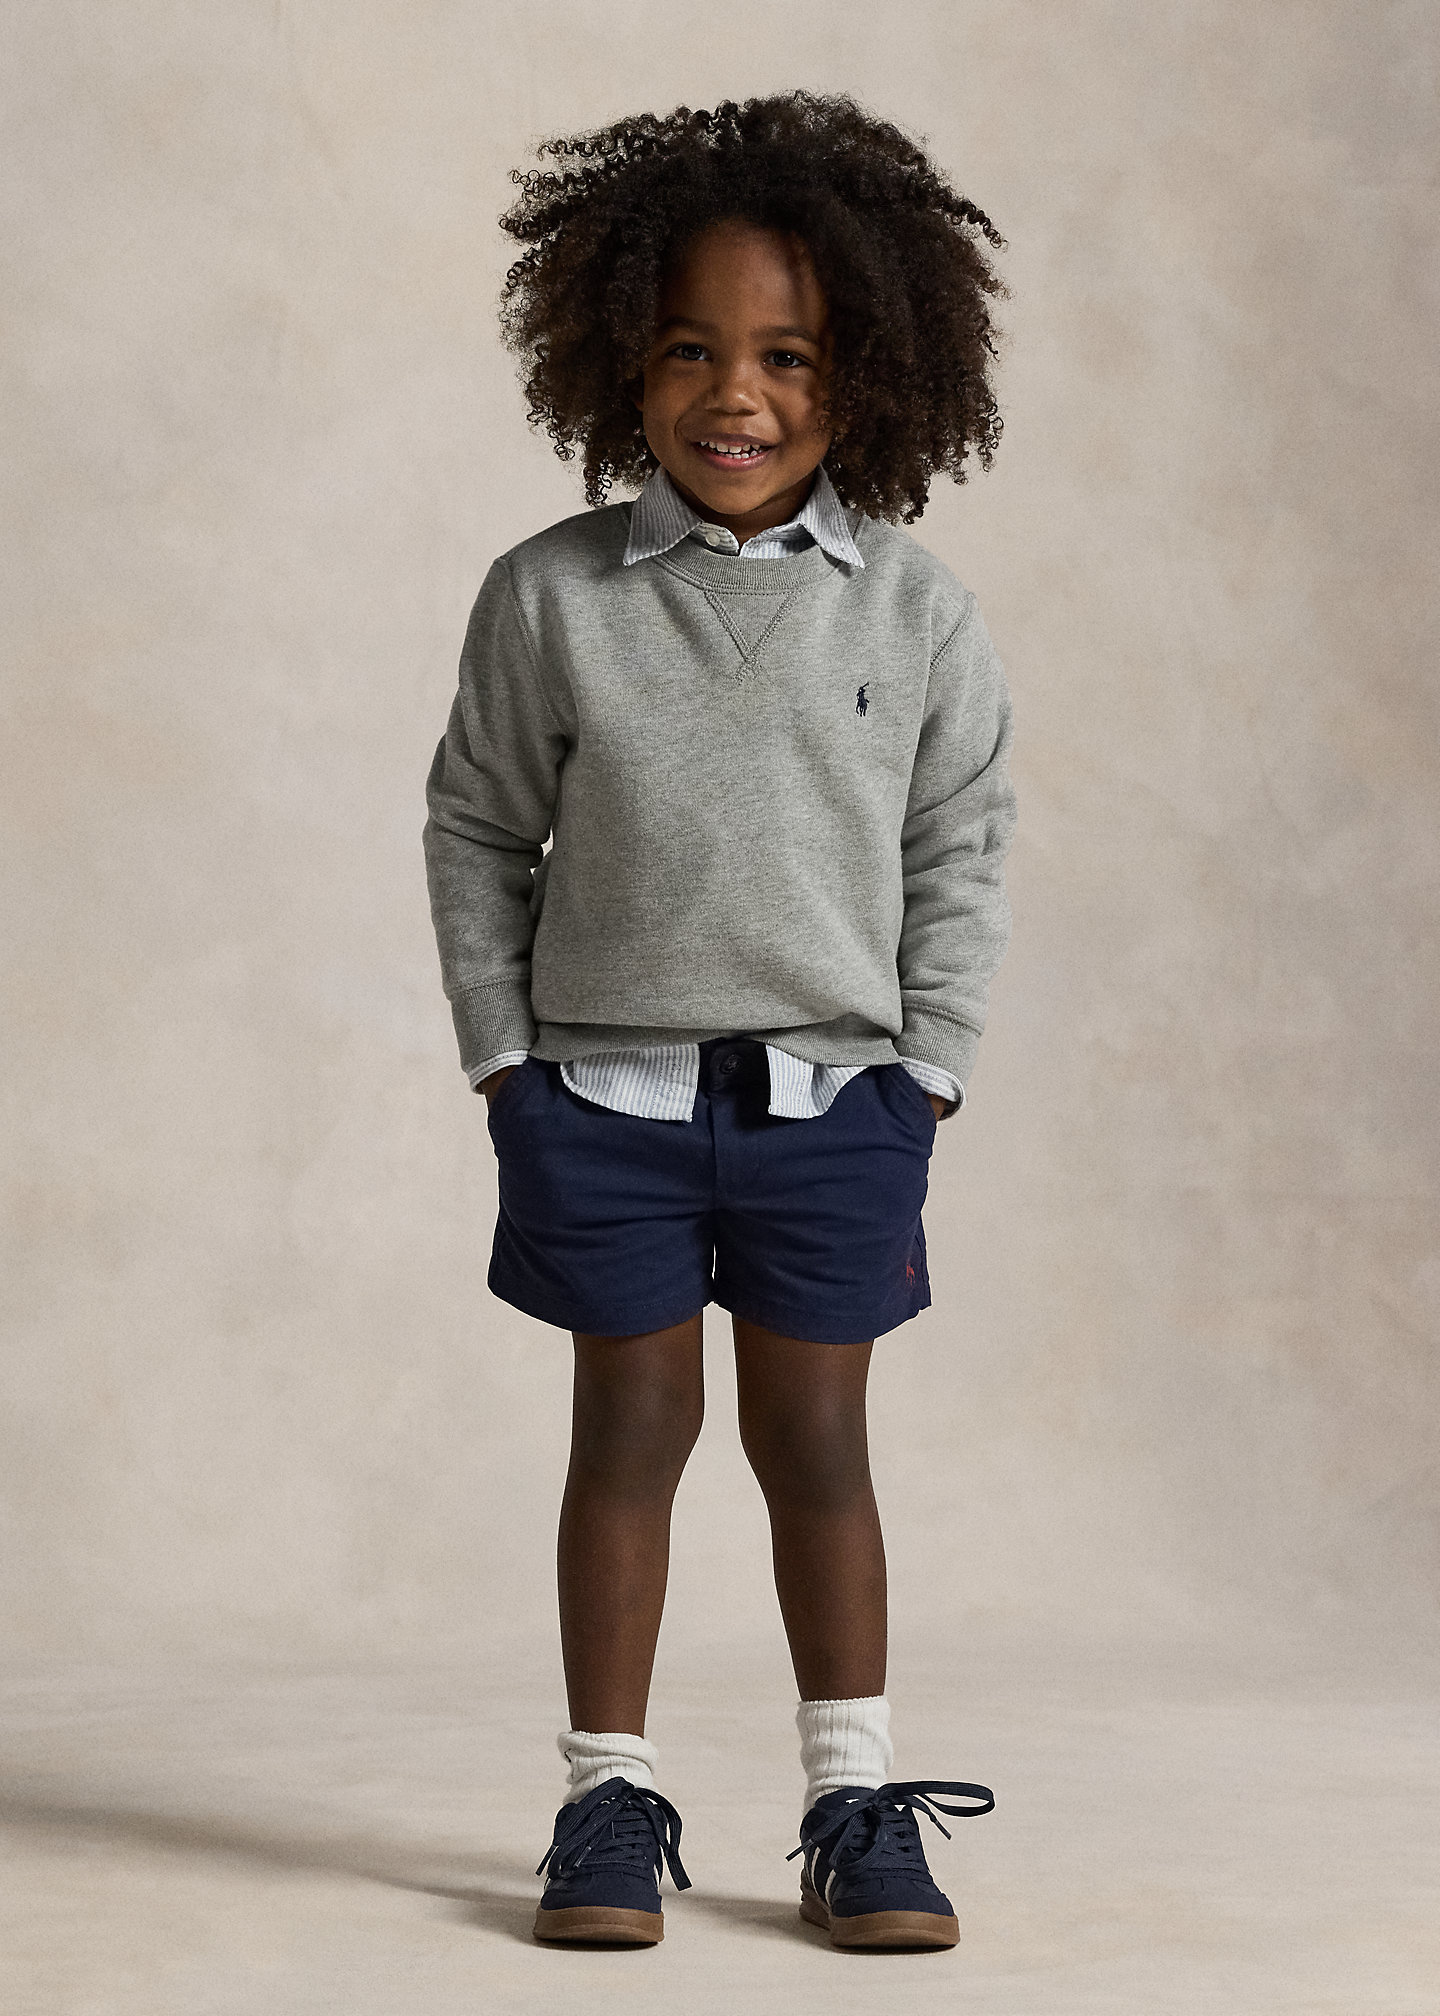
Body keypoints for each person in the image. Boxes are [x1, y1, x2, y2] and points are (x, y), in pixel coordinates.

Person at [423, 90, 1016, 1952]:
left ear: (872, 377)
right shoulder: (550, 597)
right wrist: (504, 1055)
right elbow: (475, 823)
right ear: (621, 359)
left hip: (838, 1105)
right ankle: (606, 1799)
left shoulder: (914, 611)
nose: (735, 396)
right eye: (690, 350)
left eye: (788, 357)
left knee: (816, 1444)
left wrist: (928, 1070)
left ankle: (854, 1802)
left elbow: (960, 841)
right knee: (630, 1432)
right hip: (598, 1099)